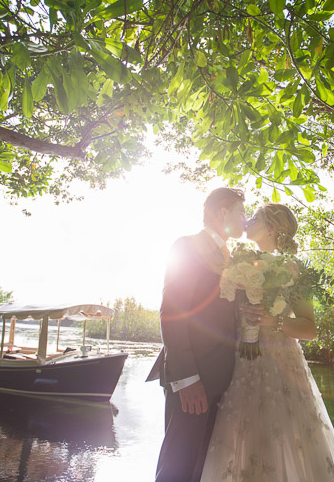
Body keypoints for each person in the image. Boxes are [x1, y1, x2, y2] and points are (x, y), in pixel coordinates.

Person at [200, 203, 334, 482]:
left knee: (284, 438)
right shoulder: (237, 262)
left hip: (281, 367)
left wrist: (273, 322)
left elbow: (310, 329)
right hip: (239, 365)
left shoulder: (293, 270)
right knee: (240, 440)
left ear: (272, 228)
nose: (248, 220)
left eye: (256, 217)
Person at [146, 187, 247, 482]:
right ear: (222, 213)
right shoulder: (187, 246)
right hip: (193, 379)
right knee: (178, 466)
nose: (245, 220)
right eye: (241, 213)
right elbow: (172, 312)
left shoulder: (232, 256)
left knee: (202, 468)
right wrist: (187, 378)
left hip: (222, 379)